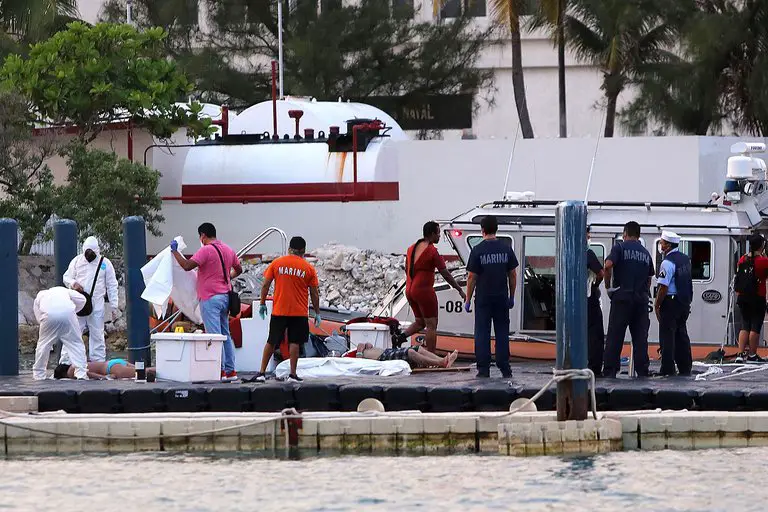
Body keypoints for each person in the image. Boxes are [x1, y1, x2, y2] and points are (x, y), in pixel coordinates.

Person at [171, 222, 243, 381]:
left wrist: (175, 252)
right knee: (225, 334)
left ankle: (221, 371)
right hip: (225, 297)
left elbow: (187, 266)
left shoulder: (206, 251)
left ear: (203, 235)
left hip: (210, 298)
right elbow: (239, 269)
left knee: (214, 336)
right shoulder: (228, 250)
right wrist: (227, 277)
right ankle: (231, 372)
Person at [254, 236, 321, 383]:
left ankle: (261, 373)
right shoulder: (308, 268)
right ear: (303, 251)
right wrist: (317, 312)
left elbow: (265, 285)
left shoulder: (277, 263)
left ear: (290, 248)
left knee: (271, 341)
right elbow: (314, 293)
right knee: (294, 342)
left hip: (279, 310)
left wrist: (262, 303)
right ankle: (292, 374)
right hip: (299, 312)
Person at [464, 215, 519, 379]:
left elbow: (471, 277)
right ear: (496, 229)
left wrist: (467, 299)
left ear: (482, 230)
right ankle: (504, 367)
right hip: (501, 298)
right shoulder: (506, 249)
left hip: (483, 299)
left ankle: (483, 369)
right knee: (502, 332)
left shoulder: (477, 250)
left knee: (482, 333)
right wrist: (512, 296)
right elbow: (513, 275)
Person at [401, 221, 465, 352]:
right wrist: (459, 289)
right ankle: (432, 357)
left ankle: (399, 338)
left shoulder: (411, 248)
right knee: (432, 325)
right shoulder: (432, 251)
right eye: (438, 233)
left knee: (420, 322)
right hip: (424, 291)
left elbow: (407, 268)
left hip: (409, 290)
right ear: (431, 234)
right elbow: (445, 273)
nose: (439, 237)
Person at [603, 221, 655, 378]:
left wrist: (608, 287)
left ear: (624, 233)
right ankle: (642, 372)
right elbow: (649, 277)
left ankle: (610, 371)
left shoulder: (619, 247)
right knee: (640, 338)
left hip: (622, 298)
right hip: (640, 301)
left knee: (615, 336)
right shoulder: (646, 253)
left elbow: (607, 265)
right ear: (639, 235)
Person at [63, 236, 119, 362]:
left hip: (97, 304)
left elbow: (112, 285)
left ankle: (97, 362)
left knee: (97, 335)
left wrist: (114, 306)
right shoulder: (77, 261)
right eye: (86, 253)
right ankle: (67, 361)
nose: (88, 256)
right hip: (79, 303)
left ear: (97, 251)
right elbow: (66, 277)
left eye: (91, 253)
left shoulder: (105, 263)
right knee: (73, 333)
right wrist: (73, 284)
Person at [654, 231, 694, 376]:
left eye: (662, 243)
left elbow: (663, 286)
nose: (661, 245)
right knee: (681, 334)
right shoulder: (684, 259)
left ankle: (667, 369)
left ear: (668, 245)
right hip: (684, 302)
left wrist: (657, 304)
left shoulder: (667, 262)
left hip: (670, 303)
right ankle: (685, 367)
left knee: (667, 336)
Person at [32, 287, 90, 380]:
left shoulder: (41, 294)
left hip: (48, 316)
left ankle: (39, 374)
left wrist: (44, 324)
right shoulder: (66, 291)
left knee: (43, 345)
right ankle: (81, 373)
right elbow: (83, 299)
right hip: (68, 314)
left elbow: (37, 313)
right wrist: (74, 311)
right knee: (76, 344)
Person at [734, 234, 768, 363]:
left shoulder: (743, 259)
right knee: (755, 326)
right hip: (757, 296)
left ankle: (740, 353)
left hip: (743, 296)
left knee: (744, 325)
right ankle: (752, 354)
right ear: (761, 245)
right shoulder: (763, 261)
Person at [345, 343, 459, 369]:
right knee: (410, 353)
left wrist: (364, 347)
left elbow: (366, 344)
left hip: (388, 352)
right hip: (383, 358)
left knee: (417, 348)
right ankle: (440, 363)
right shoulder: (354, 356)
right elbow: (359, 361)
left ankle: (443, 360)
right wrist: (360, 351)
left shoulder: (362, 348)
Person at [586, 227, 605, 377]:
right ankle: (595, 367)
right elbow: (601, 273)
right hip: (588, 297)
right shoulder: (587, 253)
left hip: (575, 300)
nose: (589, 237)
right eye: (587, 234)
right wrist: (595, 286)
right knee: (595, 334)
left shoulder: (568, 253)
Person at [53, 360, 157, 380]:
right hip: (114, 362)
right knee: (144, 370)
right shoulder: (75, 363)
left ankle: (165, 369)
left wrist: (105, 377)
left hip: (111, 368)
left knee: (145, 371)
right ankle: (165, 368)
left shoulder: (71, 372)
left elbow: (88, 373)